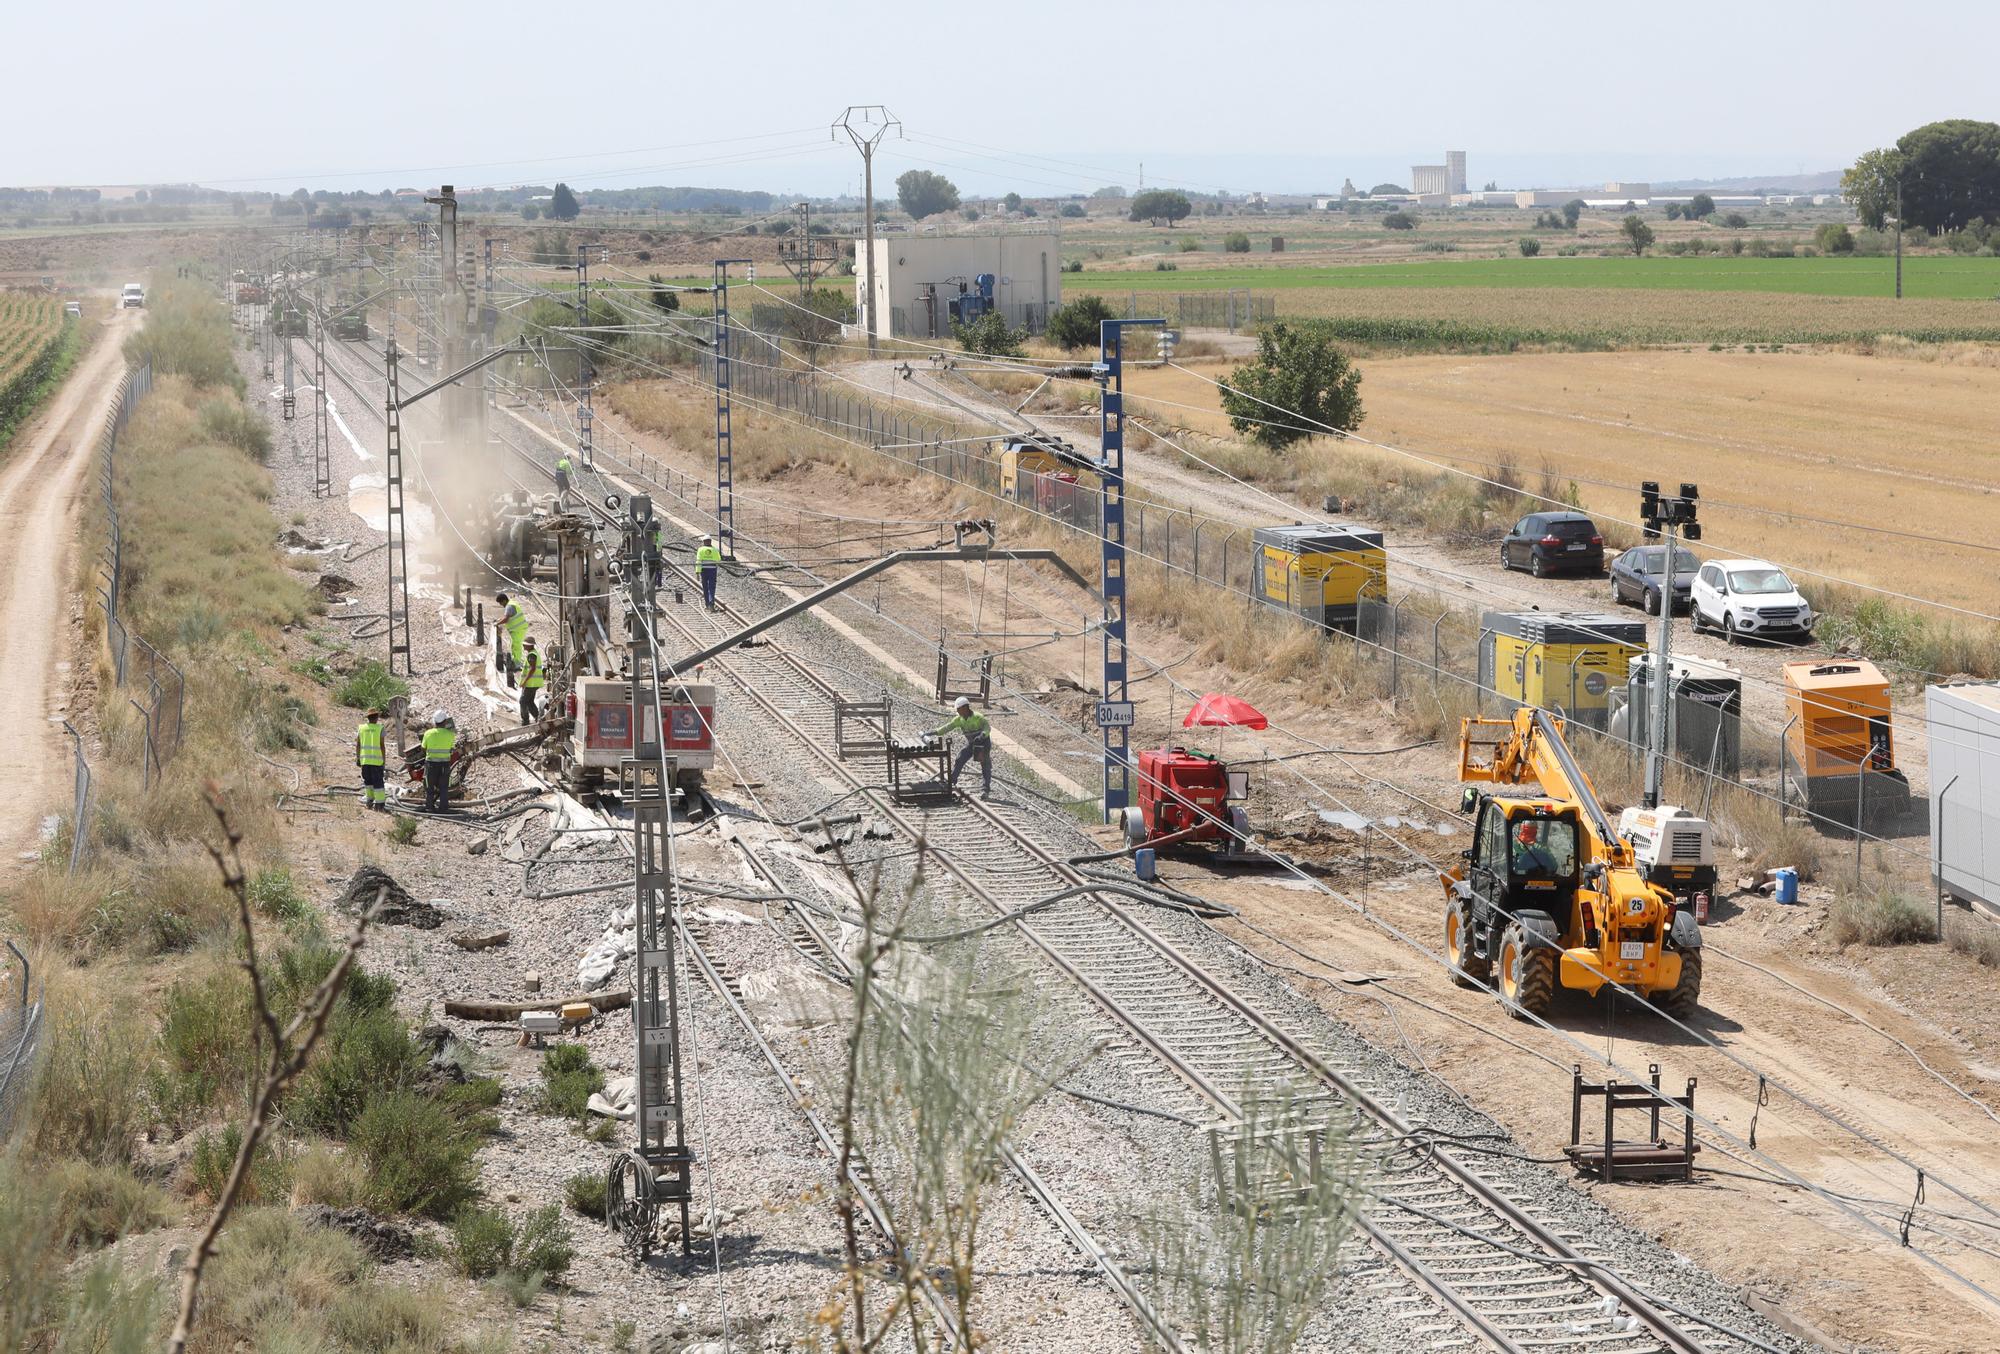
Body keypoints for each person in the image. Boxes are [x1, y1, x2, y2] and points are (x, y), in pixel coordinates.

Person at [930, 696, 993, 798]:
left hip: (983, 744)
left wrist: (982, 735)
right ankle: (952, 781)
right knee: (960, 758)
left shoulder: (978, 717)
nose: (957, 711)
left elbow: (987, 728)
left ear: (965, 708)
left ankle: (985, 789)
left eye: (958, 709)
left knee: (985, 765)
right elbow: (947, 727)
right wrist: (934, 732)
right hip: (972, 743)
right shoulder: (959, 720)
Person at [421, 710, 457, 812]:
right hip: (444, 765)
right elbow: (451, 749)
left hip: (431, 764)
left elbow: (423, 748)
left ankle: (429, 807)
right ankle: (443, 808)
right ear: (445, 721)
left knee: (430, 787)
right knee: (444, 788)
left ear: (434, 721)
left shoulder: (428, 733)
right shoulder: (450, 734)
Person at [355, 708, 387, 811]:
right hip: (377, 761)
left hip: (365, 760)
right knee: (378, 783)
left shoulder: (361, 728)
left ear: (368, 718)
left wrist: (358, 757)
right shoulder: (380, 728)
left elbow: (358, 744)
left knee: (368, 782)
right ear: (377, 718)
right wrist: (384, 760)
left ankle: (369, 801)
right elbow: (382, 745)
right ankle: (380, 804)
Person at [496, 591, 527, 677]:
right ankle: (515, 661)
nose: (501, 605)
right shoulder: (512, 603)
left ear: (504, 601)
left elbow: (506, 619)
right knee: (514, 645)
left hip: (518, 629)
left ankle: (517, 664)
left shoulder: (509, 606)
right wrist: (499, 620)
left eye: (500, 603)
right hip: (518, 629)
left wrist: (497, 624)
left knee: (516, 646)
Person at [519, 639, 545, 724]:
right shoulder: (534, 653)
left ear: (530, 645)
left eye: (525, 644)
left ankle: (525, 720)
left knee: (522, 701)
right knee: (529, 701)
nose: (523, 646)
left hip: (531, 683)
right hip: (534, 683)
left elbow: (532, 669)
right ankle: (538, 717)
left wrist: (524, 681)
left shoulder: (531, 655)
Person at [695, 536, 722, 611]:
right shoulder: (715, 550)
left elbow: (698, 561)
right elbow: (718, 560)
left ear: (704, 542)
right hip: (712, 570)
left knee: (705, 587)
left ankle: (707, 604)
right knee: (711, 587)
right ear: (710, 541)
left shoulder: (701, 549)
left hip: (704, 570)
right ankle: (711, 603)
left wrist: (697, 572)